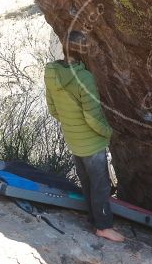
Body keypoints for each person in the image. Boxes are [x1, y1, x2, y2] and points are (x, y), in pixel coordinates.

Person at [45, 31, 125, 243]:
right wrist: (110, 133)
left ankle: (93, 218)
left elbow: (53, 109)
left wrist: (71, 123)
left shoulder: (51, 72)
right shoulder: (84, 78)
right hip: (91, 142)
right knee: (100, 185)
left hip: (73, 139)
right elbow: (93, 118)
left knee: (87, 182)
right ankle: (103, 226)